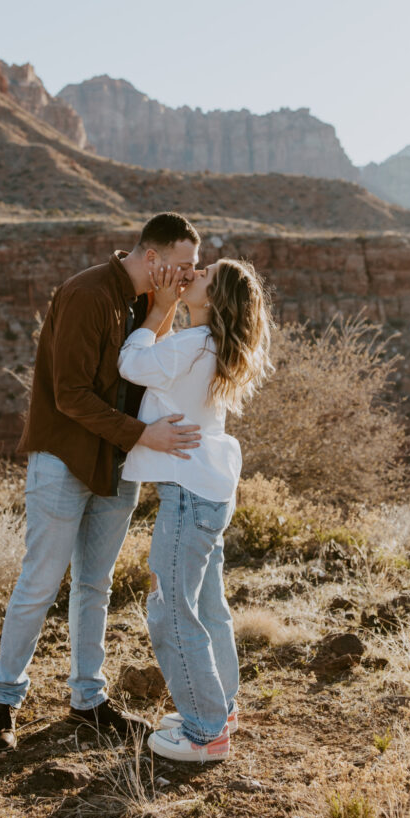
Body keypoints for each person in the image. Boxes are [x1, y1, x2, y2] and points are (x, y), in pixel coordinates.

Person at [0, 213, 204, 752]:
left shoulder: (144, 303)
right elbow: (70, 396)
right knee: (40, 582)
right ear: (153, 258)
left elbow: (147, 369)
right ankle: (2, 706)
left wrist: (167, 310)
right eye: (183, 265)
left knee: (94, 586)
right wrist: (143, 436)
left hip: (117, 463)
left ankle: (88, 702)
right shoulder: (86, 293)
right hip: (65, 458)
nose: (188, 274)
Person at [117, 257, 273, 763]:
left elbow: (131, 363)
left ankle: (205, 731)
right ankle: (219, 707)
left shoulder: (191, 343)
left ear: (215, 298)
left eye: (202, 276)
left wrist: (158, 309)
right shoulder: (215, 347)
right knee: (207, 606)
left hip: (187, 495)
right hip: (210, 491)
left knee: (170, 610)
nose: (192, 274)